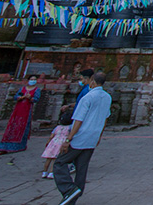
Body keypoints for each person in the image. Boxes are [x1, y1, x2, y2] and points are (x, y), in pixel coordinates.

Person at [53, 71, 112, 205]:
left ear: (92, 81)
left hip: (81, 136)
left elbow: (78, 120)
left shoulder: (88, 97)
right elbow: (105, 119)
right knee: (82, 167)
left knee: (59, 163)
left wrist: (68, 139)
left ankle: (69, 189)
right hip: (93, 136)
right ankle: (72, 198)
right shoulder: (107, 97)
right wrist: (99, 136)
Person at [0, 74, 42, 153]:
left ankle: (20, 145)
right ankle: (5, 145)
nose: (33, 81)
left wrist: (30, 98)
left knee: (23, 127)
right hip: (18, 109)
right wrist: (20, 97)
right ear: (28, 80)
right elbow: (16, 96)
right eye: (31, 79)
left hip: (27, 110)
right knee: (13, 125)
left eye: (34, 79)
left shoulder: (37, 90)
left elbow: (36, 99)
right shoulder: (22, 88)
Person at [41, 109, 73, 178]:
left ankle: (44, 172)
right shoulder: (69, 127)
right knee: (54, 159)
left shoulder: (57, 127)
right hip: (61, 144)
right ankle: (51, 173)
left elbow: (51, 136)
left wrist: (48, 143)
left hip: (53, 143)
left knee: (48, 159)